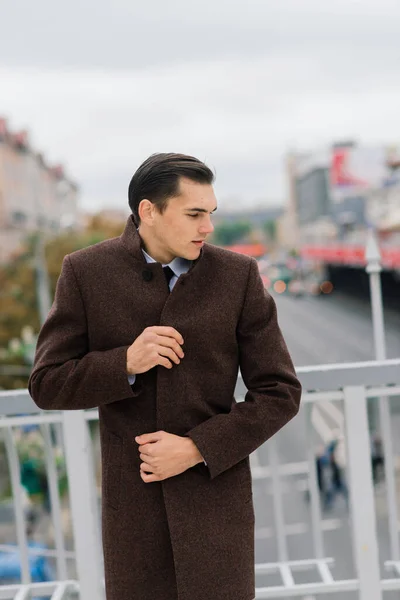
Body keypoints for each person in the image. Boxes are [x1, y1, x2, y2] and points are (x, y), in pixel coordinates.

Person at [29, 153, 302, 600]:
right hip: (134, 511)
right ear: (148, 212)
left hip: (216, 506)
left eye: (210, 214)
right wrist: (125, 363)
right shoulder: (85, 272)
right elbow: (46, 383)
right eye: (194, 214)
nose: (207, 228)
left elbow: (280, 392)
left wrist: (197, 447)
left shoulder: (238, 276)